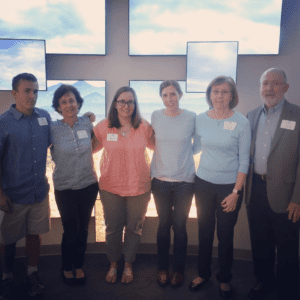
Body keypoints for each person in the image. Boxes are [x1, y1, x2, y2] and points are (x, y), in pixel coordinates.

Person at [189, 76, 251, 299]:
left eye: (224, 92)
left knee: (225, 235)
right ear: (209, 95)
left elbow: (244, 160)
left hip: (229, 187)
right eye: (215, 92)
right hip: (203, 182)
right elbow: (194, 148)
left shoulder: (242, 122)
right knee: (204, 232)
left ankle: (224, 278)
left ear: (232, 95)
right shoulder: (200, 119)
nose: (219, 96)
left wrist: (236, 192)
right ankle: (203, 274)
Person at [245, 68, 300, 300]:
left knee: (287, 246)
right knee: (260, 241)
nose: (269, 88)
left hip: (286, 194)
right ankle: (264, 281)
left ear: (286, 88)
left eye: (275, 83)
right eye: (265, 83)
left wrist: (298, 198)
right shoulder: (250, 116)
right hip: (255, 188)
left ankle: (287, 289)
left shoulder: (297, 115)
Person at [93, 86, 155, 285]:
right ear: (115, 104)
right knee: (112, 228)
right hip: (111, 186)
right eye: (122, 101)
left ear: (135, 105)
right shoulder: (104, 126)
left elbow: (161, 146)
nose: (126, 105)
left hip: (139, 186)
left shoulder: (144, 126)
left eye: (130, 102)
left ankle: (128, 263)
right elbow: (88, 148)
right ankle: (113, 263)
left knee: (134, 228)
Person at [0, 73, 51, 299]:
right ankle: (7, 277)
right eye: (27, 91)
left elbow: (54, 140)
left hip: (39, 192)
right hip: (13, 195)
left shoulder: (45, 117)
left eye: (36, 91)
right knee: (8, 240)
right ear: (15, 93)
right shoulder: (3, 123)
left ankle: (32, 273)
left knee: (34, 236)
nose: (32, 96)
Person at [50, 84, 99, 285]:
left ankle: (78, 265)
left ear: (78, 103)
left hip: (88, 185)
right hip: (65, 187)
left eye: (72, 101)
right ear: (58, 107)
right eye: (64, 102)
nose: (69, 105)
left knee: (84, 229)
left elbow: (96, 144)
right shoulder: (52, 128)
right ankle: (66, 266)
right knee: (70, 228)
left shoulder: (87, 123)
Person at [151, 80, 196, 288]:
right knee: (163, 225)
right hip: (160, 180)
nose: (169, 99)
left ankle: (178, 270)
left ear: (180, 95)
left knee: (179, 226)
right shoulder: (156, 116)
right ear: (161, 98)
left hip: (184, 181)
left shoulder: (191, 117)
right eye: (165, 95)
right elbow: (153, 141)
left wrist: (184, 155)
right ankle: (162, 268)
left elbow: (199, 145)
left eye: (173, 94)